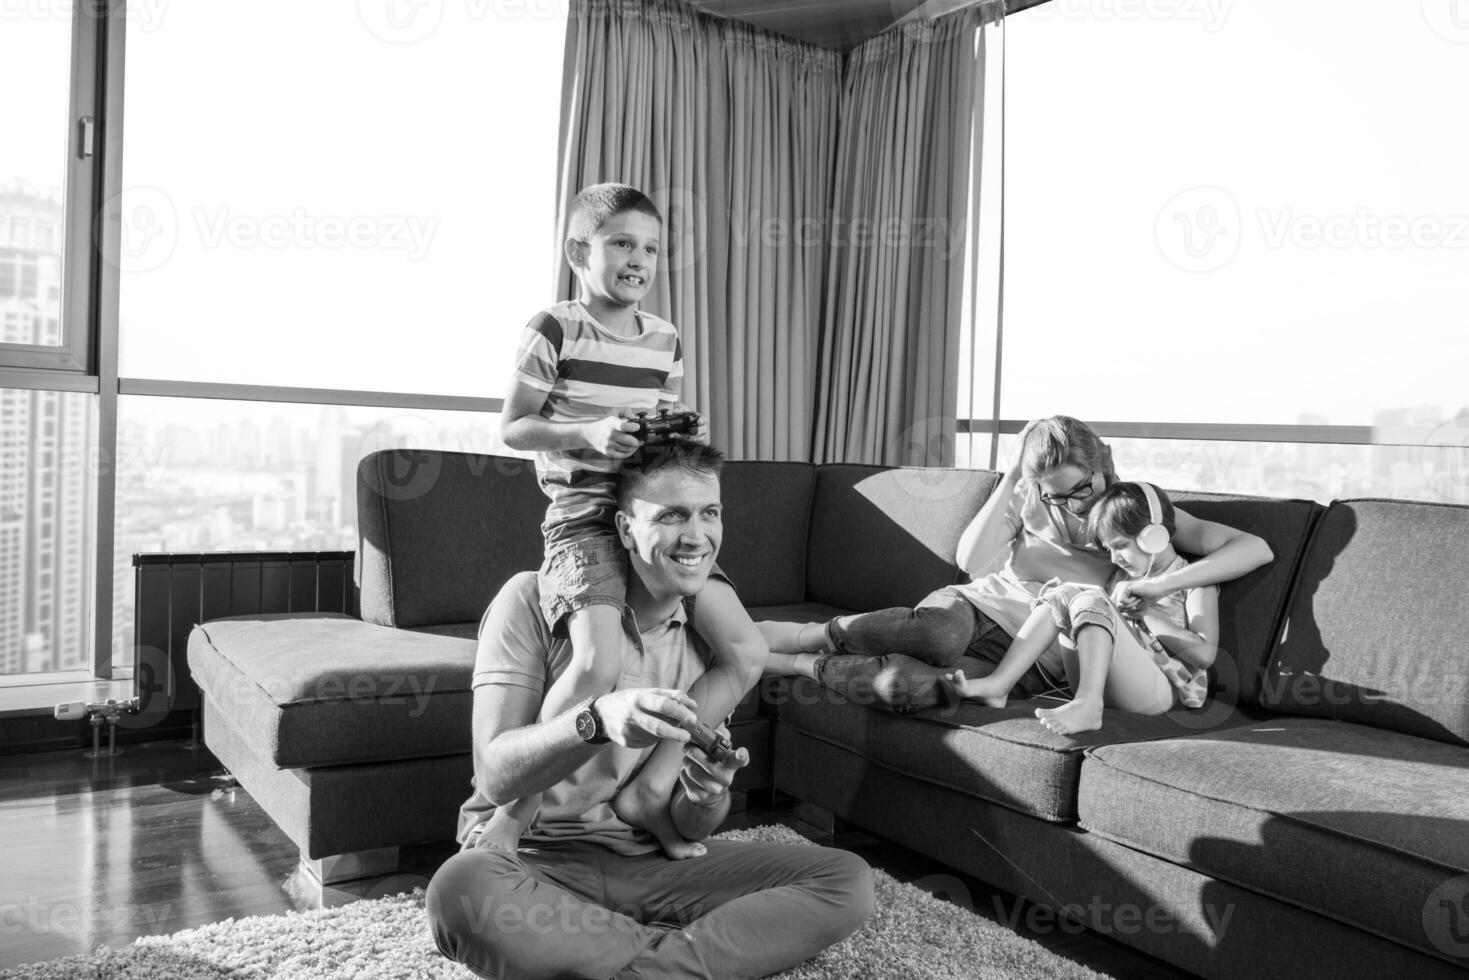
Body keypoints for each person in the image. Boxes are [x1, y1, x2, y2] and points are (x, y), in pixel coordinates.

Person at [426, 444, 874, 980]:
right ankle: (679, 958)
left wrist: (710, 796)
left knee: (845, 880)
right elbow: (497, 774)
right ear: (624, 527)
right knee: (458, 893)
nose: (696, 536)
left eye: (710, 512)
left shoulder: (713, 641)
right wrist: (592, 720)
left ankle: (632, 962)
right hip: (530, 859)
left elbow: (683, 824)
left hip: (645, 862)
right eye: (671, 515)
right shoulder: (528, 600)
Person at [492, 182, 767, 859]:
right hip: (584, 522)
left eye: (650, 247)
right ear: (579, 251)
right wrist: (588, 434)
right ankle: (513, 815)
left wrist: (676, 432)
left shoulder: (664, 338)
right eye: (620, 243)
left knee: (746, 653)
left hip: (652, 525)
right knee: (596, 663)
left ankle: (652, 792)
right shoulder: (553, 327)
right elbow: (514, 426)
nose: (638, 258)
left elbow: (658, 446)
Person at [761, 415, 1272, 713]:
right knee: (937, 637)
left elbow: (1254, 548)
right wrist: (1014, 477)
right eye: (1058, 495)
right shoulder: (1029, 498)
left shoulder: (1132, 514)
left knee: (902, 687)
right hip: (976, 609)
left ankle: (794, 664)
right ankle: (809, 634)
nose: (1074, 503)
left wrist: (1166, 586)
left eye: (1082, 488)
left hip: (1030, 654)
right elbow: (969, 561)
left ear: (1103, 463)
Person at [942, 481, 1218, 734]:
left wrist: (1146, 611)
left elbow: (1204, 655)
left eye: (1120, 546)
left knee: (1091, 597)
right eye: (1109, 549)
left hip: (1160, 692)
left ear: (1155, 536)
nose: (1115, 558)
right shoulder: (1120, 579)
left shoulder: (1195, 582)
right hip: (1112, 684)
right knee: (1065, 592)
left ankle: (1088, 704)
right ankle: (1000, 684)